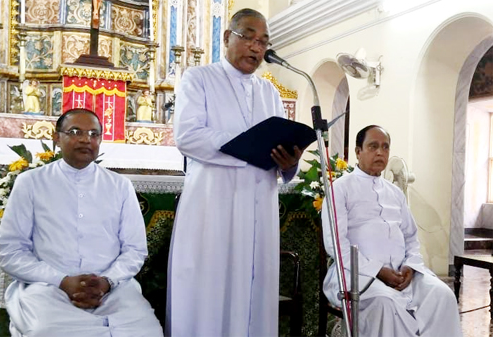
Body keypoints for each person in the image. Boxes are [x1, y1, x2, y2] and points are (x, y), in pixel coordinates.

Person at [166, 8, 304, 337]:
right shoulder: (198, 79)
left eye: (263, 42)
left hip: (259, 206)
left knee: (254, 286)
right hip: (213, 205)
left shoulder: (269, 92)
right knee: (210, 283)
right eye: (249, 38)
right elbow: (188, 135)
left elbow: (280, 149)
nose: (257, 48)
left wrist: (289, 161)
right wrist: (248, 148)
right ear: (227, 37)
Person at [0, 108, 163, 337]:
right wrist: (62, 280)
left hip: (113, 290)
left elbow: (134, 250)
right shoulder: (30, 183)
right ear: (57, 138)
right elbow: (10, 251)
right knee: (47, 332)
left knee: (147, 331)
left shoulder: (119, 186)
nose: (86, 139)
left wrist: (106, 282)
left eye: (94, 134)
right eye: (75, 131)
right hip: (48, 287)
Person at [322, 125, 462, 337]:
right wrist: (378, 270)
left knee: (443, 296)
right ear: (358, 152)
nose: (380, 152)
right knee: (386, 304)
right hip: (356, 274)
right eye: (373, 146)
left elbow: (411, 238)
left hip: (400, 274)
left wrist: (410, 266)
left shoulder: (395, 193)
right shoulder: (340, 189)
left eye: (385, 147)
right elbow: (336, 245)